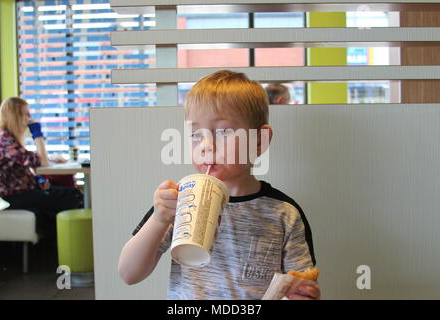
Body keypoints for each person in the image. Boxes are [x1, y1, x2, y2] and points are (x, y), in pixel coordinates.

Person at [118, 70, 320, 300]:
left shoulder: (284, 213)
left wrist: (304, 294)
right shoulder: (181, 203)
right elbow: (128, 274)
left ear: (259, 141)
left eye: (223, 131)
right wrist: (159, 219)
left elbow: (301, 283)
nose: (205, 145)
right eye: (195, 134)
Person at [0, 97, 83, 242]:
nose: (29, 118)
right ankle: (73, 242)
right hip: (10, 198)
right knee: (74, 196)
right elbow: (43, 162)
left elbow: (19, 167)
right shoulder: (4, 141)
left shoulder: (3, 137)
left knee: (62, 196)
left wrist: (37, 179)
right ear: (15, 116)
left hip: (15, 193)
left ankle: (58, 245)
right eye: (26, 114)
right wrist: (37, 134)